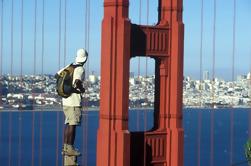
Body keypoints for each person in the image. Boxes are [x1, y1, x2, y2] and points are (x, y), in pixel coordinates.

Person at [58, 48, 88, 156]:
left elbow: (58, 75)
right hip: (74, 101)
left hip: (65, 100)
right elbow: (77, 82)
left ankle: (66, 147)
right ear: (85, 59)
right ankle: (70, 148)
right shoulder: (80, 69)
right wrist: (82, 89)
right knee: (73, 125)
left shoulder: (70, 66)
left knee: (68, 124)